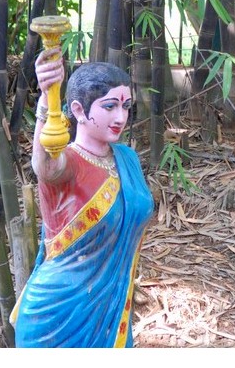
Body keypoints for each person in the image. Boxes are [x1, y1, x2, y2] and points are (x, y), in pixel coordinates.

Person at [10, 47, 154, 347]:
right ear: (78, 110)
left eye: (126, 106)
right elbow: (45, 166)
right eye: (110, 106)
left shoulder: (127, 158)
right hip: (57, 315)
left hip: (111, 311)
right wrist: (48, 98)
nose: (121, 116)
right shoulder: (67, 164)